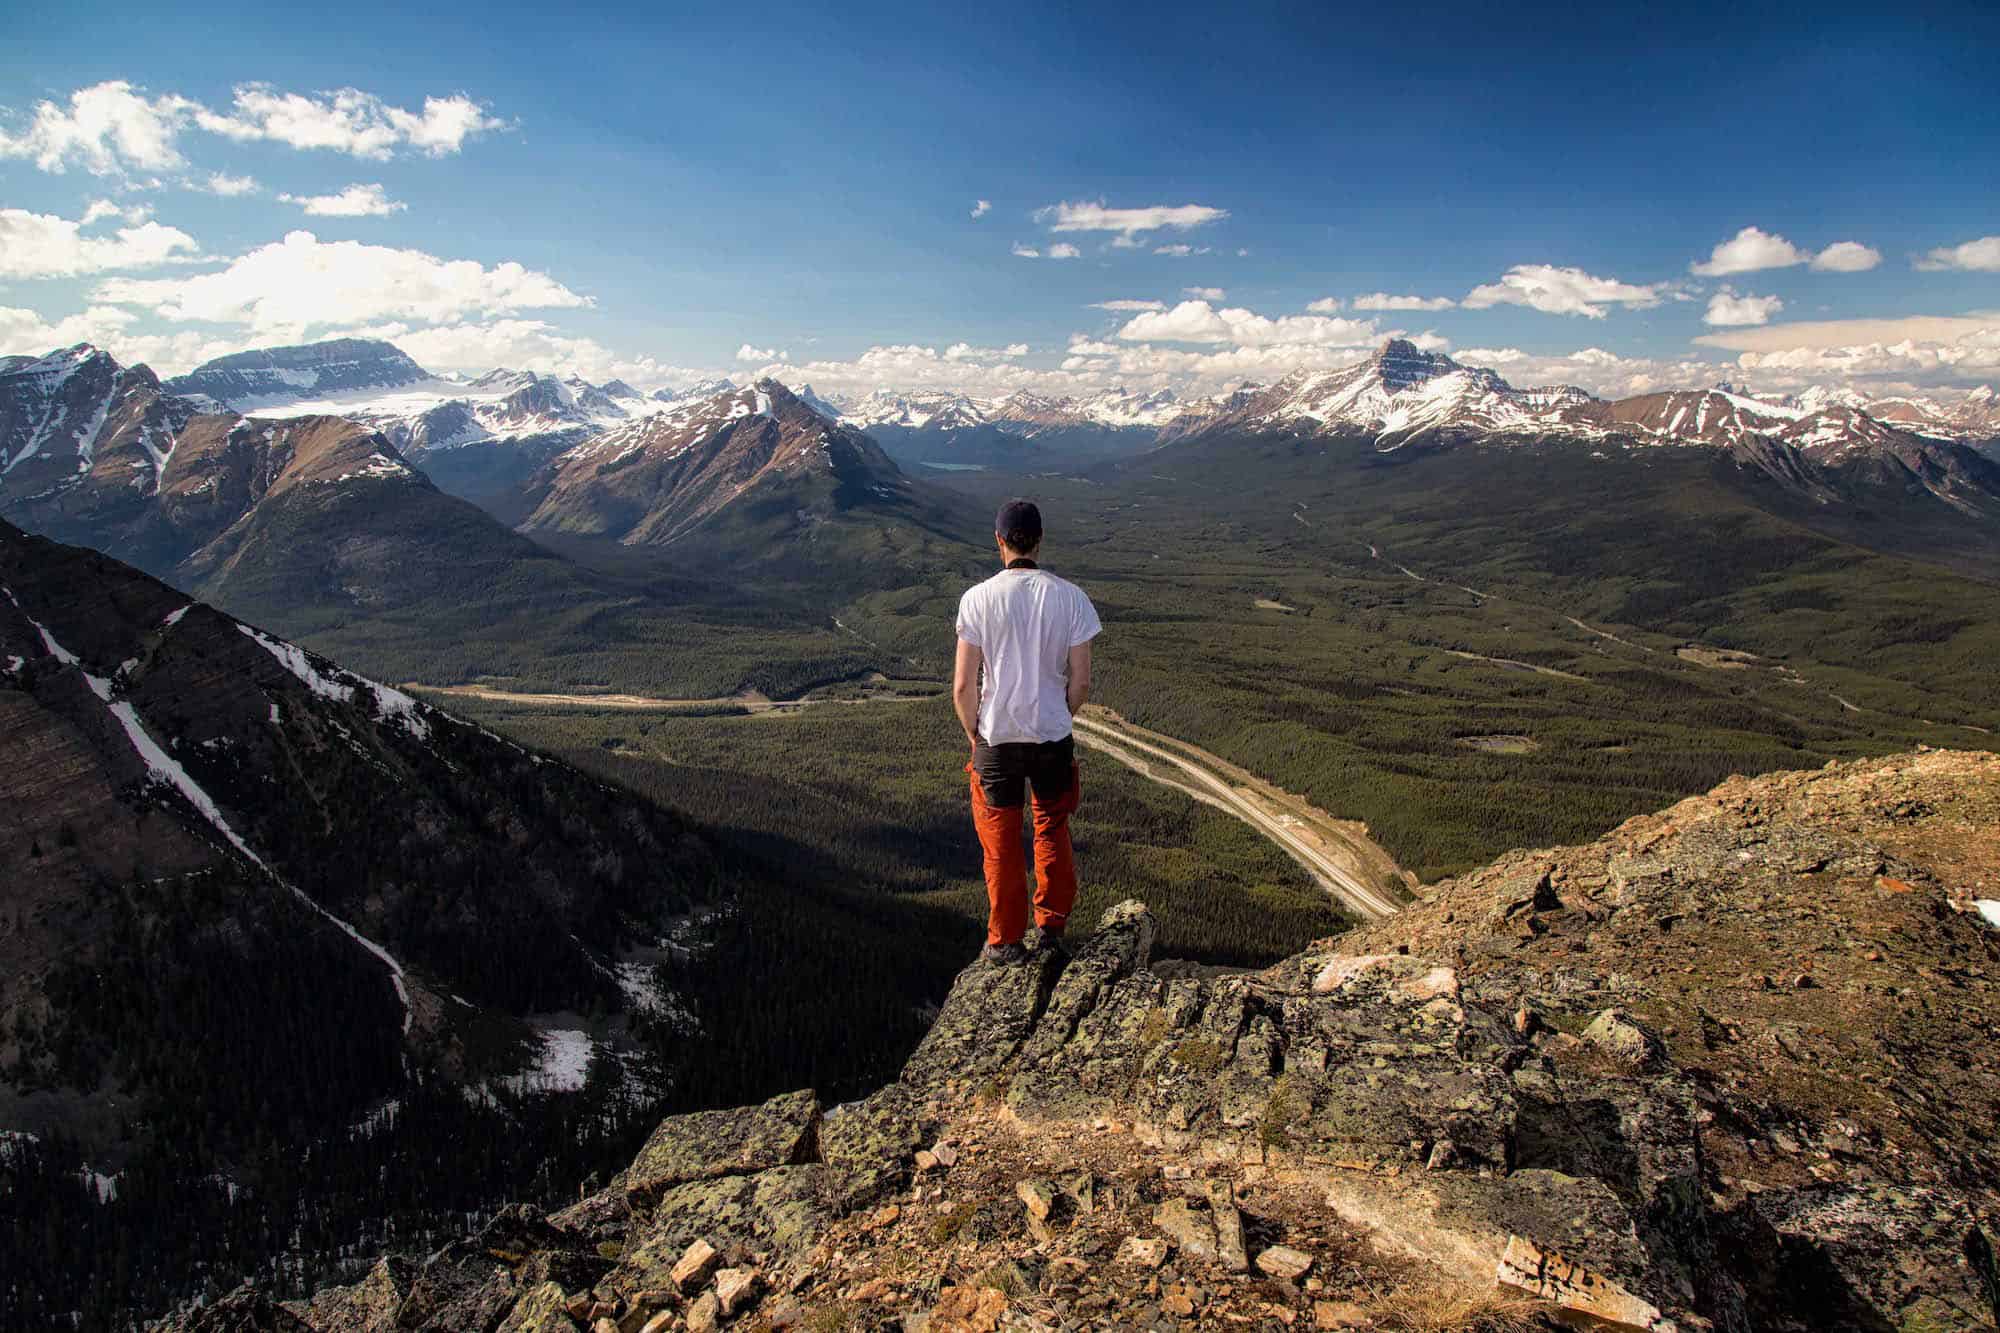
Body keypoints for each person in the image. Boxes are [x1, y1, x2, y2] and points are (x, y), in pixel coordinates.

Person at [953, 499, 1102, 965]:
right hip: (1051, 738)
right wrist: (1061, 715)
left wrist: (975, 734)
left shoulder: (977, 598)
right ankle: (1052, 927)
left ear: (999, 541)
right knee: (1052, 828)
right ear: (1040, 540)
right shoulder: (1071, 597)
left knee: (1000, 842)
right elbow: (1081, 681)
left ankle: (1006, 941)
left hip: (997, 739)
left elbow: (962, 685)